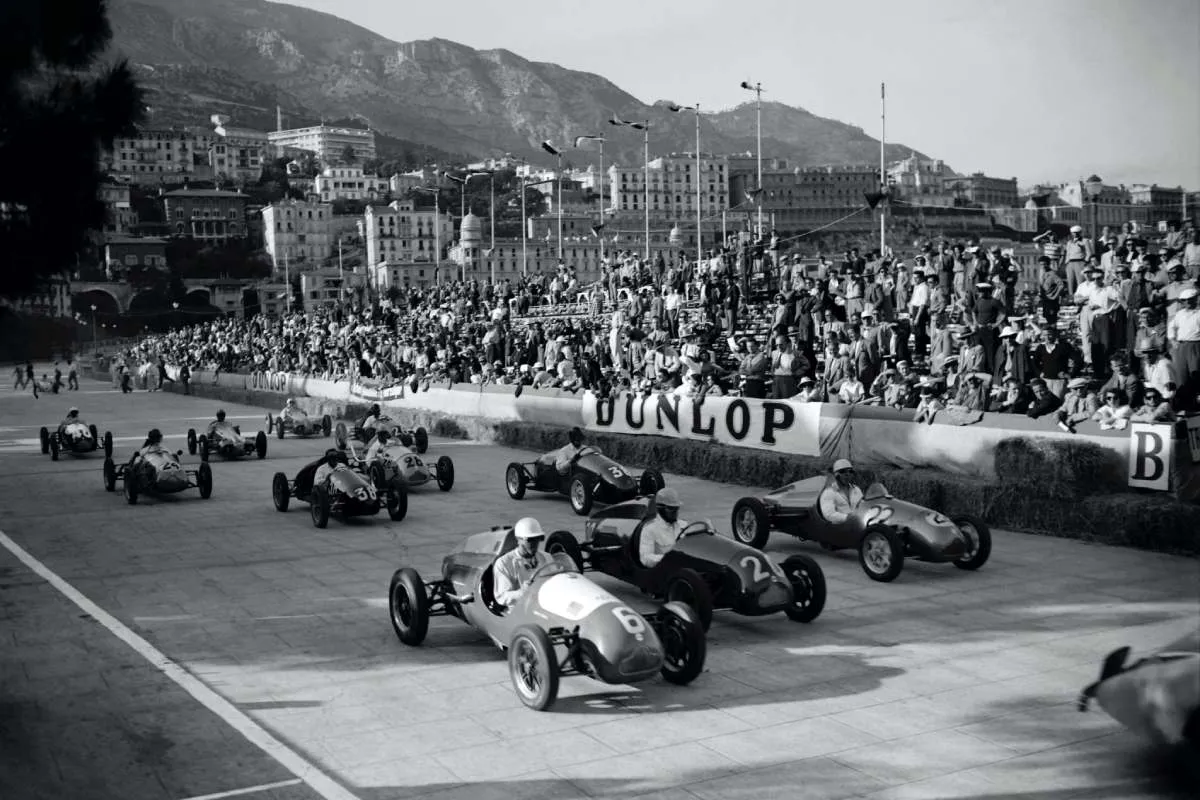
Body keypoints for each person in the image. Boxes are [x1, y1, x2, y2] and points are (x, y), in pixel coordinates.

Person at [494, 517, 554, 608]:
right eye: (529, 540)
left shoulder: (547, 558)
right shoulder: (504, 563)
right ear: (518, 540)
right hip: (518, 612)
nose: (535, 543)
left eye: (539, 538)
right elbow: (501, 597)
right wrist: (523, 592)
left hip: (545, 607)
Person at [638, 488, 687, 568]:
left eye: (676, 509)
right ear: (661, 509)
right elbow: (645, 559)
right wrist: (668, 558)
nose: (675, 512)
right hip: (664, 571)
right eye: (671, 509)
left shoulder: (683, 525)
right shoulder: (650, 529)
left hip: (686, 568)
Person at [818, 459, 863, 524]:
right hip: (839, 528)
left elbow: (863, 505)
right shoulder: (829, 492)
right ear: (836, 475)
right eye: (843, 472)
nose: (847, 474)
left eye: (850, 471)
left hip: (858, 525)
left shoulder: (856, 489)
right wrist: (848, 518)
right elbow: (829, 515)